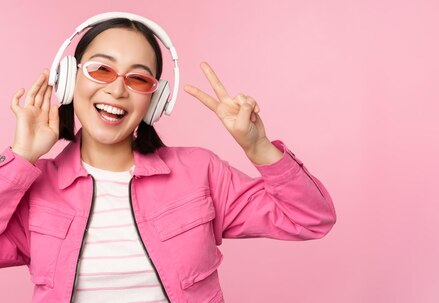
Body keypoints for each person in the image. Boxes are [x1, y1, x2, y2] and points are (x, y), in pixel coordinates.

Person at [0, 13, 336, 303]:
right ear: (70, 80)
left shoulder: (200, 172)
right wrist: (22, 157)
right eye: (101, 70)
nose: (117, 90)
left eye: (138, 78)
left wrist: (257, 145)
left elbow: (310, 218)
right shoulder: (34, 187)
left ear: (156, 99)